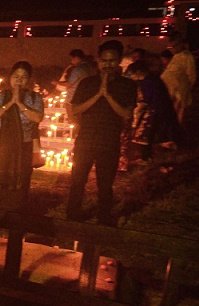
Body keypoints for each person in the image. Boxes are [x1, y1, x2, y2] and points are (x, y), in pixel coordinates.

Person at [66, 40, 137, 225]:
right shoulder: (87, 83)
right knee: (77, 180)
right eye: (104, 60)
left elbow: (127, 114)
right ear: (98, 61)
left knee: (105, 185)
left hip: (109, 141)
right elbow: (75, 109)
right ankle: (72, 216)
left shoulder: (127, 85)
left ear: (119, 61)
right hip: (86, 139)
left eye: (112, 61)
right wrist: (98, 94)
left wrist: (108, 95)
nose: (108, 65)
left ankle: (103, 218)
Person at [0, 61, 44, 209]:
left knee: (21, 177)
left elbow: (37, 117)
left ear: (29, 80)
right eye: (16, 76)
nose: (19, 80)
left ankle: (16, 209)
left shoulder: (35, 98)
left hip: (23, 146)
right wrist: (11, 102)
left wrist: (20, 104)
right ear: (10, 78)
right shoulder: (2, 96)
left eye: (23, 77)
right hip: (1, 145)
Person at [126, 60, 181, 162]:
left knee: (147, 135)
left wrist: (138, 110)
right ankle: (150, 156)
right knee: (154, 134)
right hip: (162, 110)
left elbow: (147, 100)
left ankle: (146, 158)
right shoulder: (154, 79)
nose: (131, 76)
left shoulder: (147, 83)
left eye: (131, 73)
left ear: (138, 72)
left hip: (154, 112)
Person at [160, 31, 196, 125]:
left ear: (180, 45)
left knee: (176, 116)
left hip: (179, 93)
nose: (171, 49)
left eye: (173, 46)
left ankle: (175, 136)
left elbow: (191, 75)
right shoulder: (177, 56)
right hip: (170, 91)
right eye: (170, 47)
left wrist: (184, 90)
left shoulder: (186, 56)